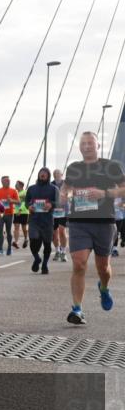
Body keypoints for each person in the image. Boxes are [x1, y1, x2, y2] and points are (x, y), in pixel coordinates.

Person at [64, 131, 125, 324]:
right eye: (83, 143)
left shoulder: (111, 166)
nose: (87, 146)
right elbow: (66, 188)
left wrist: (104, 193)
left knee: (103, 268)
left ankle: (104, 288)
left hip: (104, 223)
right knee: (79, 263)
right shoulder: (74, 168)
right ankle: (77, 309)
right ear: (80, 146)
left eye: (91, 143)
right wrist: (64, 195)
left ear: (98, 146)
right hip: (78, 222)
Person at [25, 167, 59, 274]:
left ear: (48, 176)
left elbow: (58, 202)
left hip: (47, 220)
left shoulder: (53, 189)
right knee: (33, 241)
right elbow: (26, 202)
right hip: (34, 220)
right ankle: (37, 258)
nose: (42, 174)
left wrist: (51, 205)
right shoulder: (31, 188)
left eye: (45, 173)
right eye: (41, 173)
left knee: (47, 244)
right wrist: (29, 206)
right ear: (38, 175)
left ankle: (44, 264)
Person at [0, 176, 19, 255]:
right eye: (6, 181)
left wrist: (11, 200)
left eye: (9, 181)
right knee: (0, 231)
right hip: (0, 214)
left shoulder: (13, 191)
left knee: (9, 231)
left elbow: (18, 202)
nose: (8, 182)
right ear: (2, 182)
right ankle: (1, 248)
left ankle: (9, 248)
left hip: (9, 213)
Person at [52, 169, 69, 261]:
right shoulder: (50, 184)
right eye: (55, 174)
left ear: (62, 175)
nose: (56, 175)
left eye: (58, 174)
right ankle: (57, 251)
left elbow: (71, 194)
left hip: (63, 210)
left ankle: (63, 252)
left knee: (62, 231)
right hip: (53, 211)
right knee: (54, 233)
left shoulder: (66, 184)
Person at [13, 180, 29, 248]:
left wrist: (20, 210)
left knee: (24, 228)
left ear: (21, 185)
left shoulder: (25, 192)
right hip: (16, 212)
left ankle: (26, 239)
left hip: (24, 212)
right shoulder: (15, 193)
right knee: (16, 227)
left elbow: (24, 202)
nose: (15, 185)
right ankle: (16, 242)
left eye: (16, 184)